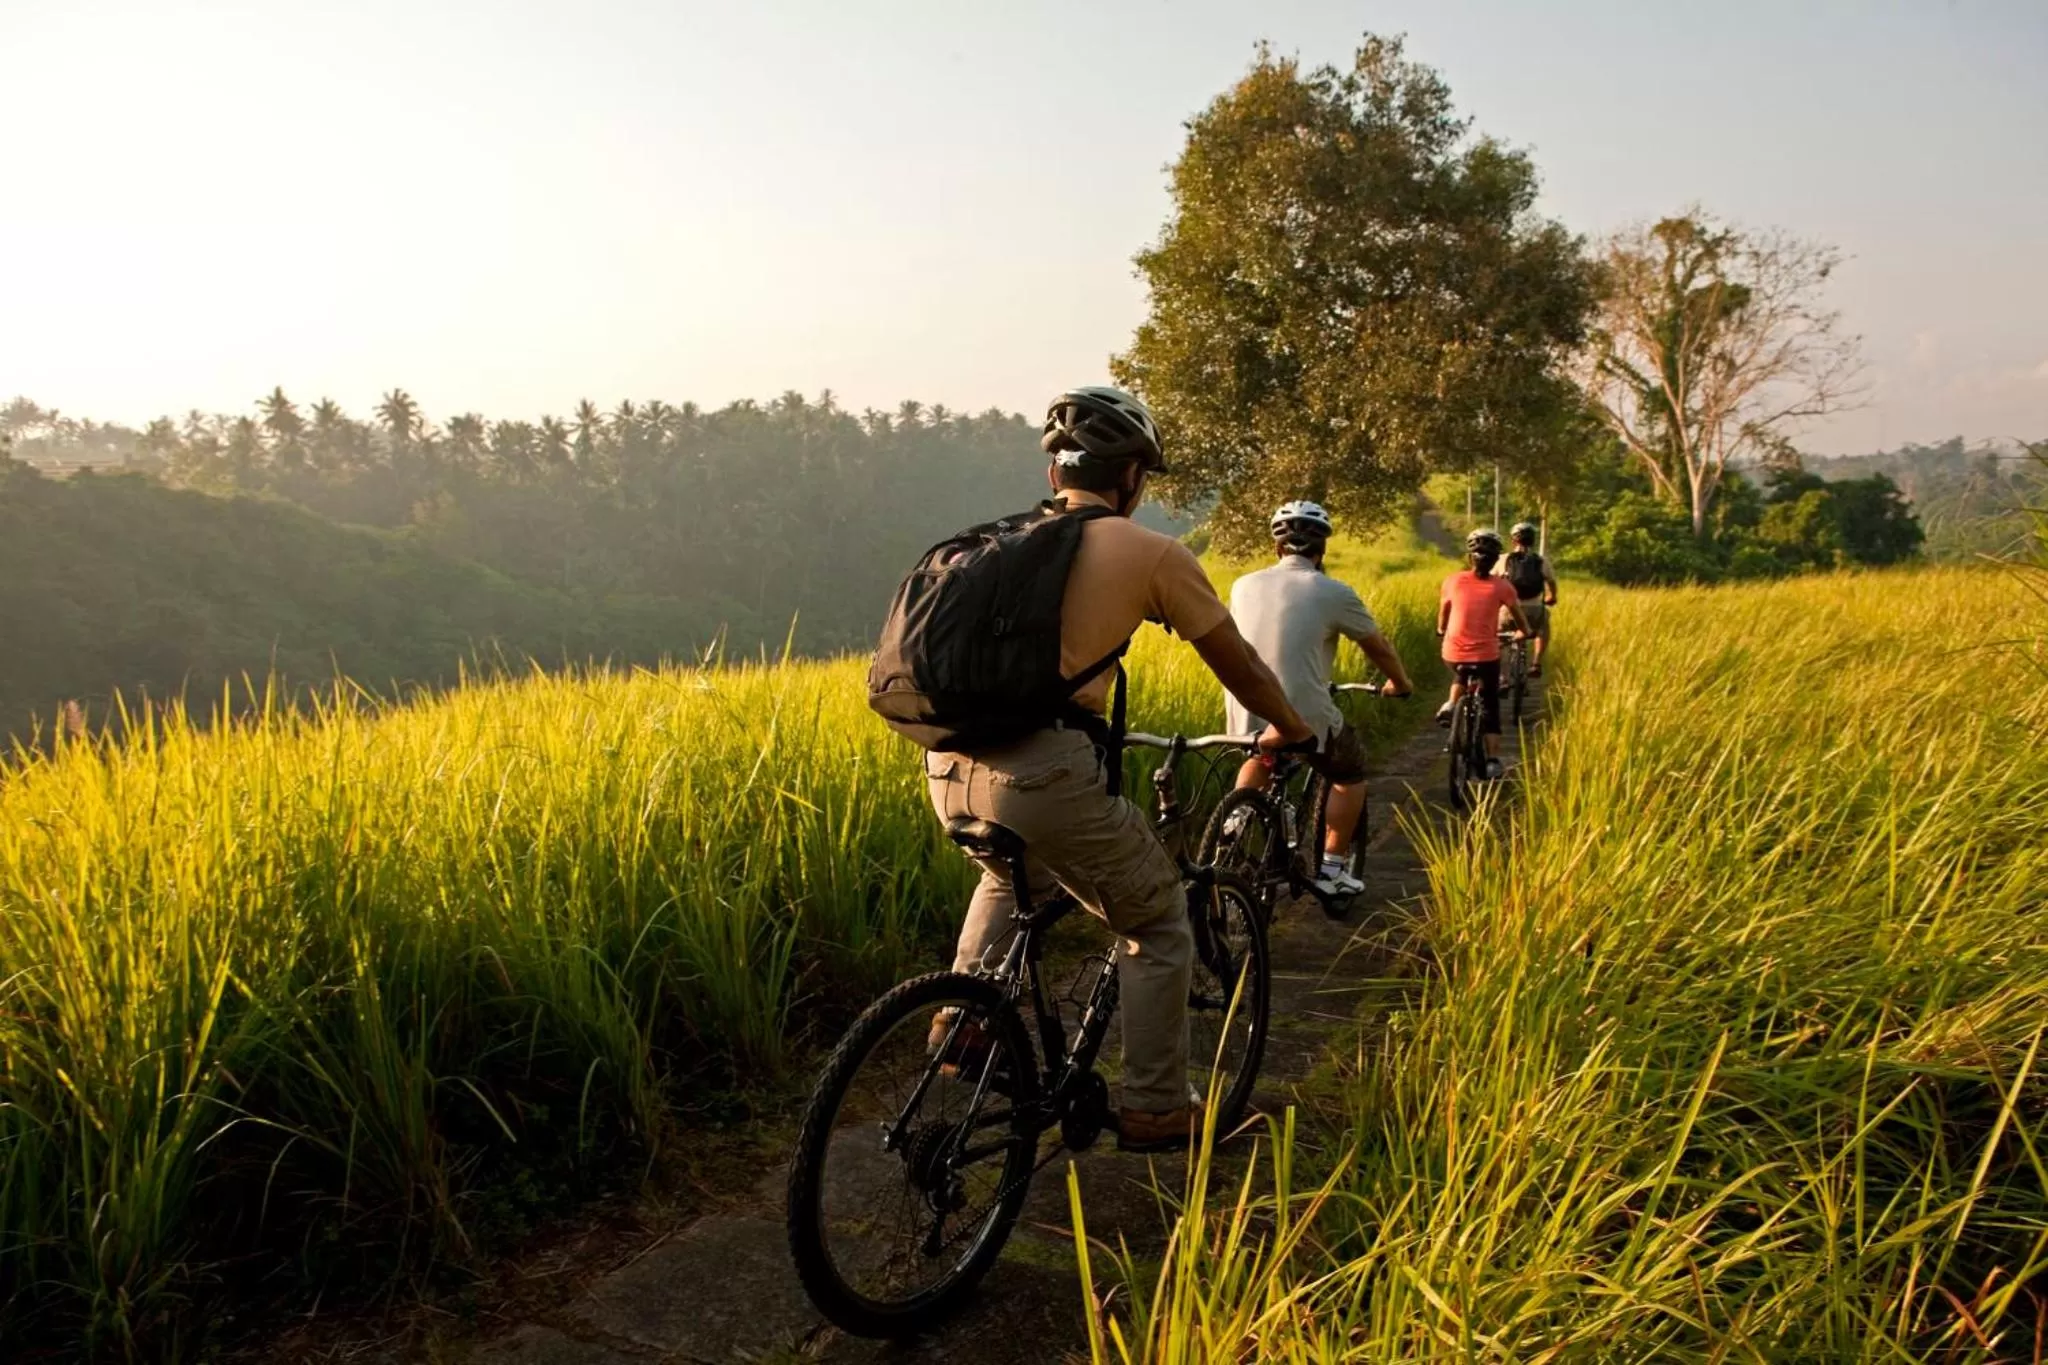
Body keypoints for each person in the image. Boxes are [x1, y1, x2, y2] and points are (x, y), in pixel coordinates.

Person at [923, 386, 1317, 1153]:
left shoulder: (996, 542)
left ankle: (962, 1027)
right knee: (1158, 918)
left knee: (1011, 877)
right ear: (1132, 476)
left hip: (946, 764)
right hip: (1044, 776)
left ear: (1055, 474)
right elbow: (1239, 664)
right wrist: (1294, 729)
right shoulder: (1151, 552)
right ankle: (1158, 1105)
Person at [1222, 501, 1414, 901]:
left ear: (1277, 548)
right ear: (1320, 551)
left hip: (1246, 711)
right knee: (1349, 771)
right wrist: (1399, 682)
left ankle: (1236, 821)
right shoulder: (1332, 590)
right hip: (1302, 717)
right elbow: (1376, 646)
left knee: (1257, 756)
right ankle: (1331, 870)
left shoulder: (1242, 585)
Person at [1435, 528, 1533, 781]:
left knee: (1460, 671)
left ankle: (1451, 704)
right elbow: (1521, 620)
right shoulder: (1503, 587)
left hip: (1452, 652)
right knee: (1489, 703)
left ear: (1470, 557)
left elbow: (1443, 615)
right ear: (1494, 560)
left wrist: (1441, 630)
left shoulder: (1451, 581)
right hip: (1486, 656)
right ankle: (1491, 760)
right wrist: (1525, 633)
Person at [1497, 522, 1557, 676]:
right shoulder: (1541, 560)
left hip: (1508, 610)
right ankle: (1536, 662)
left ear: (1513, 541)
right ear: (1533, 540)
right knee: (1543, 629)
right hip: (1534, 609)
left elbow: (1493, 581)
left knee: (1500, 637)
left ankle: (1502, 676)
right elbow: (1551, 582)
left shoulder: (1503, 559)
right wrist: (1552, 597)